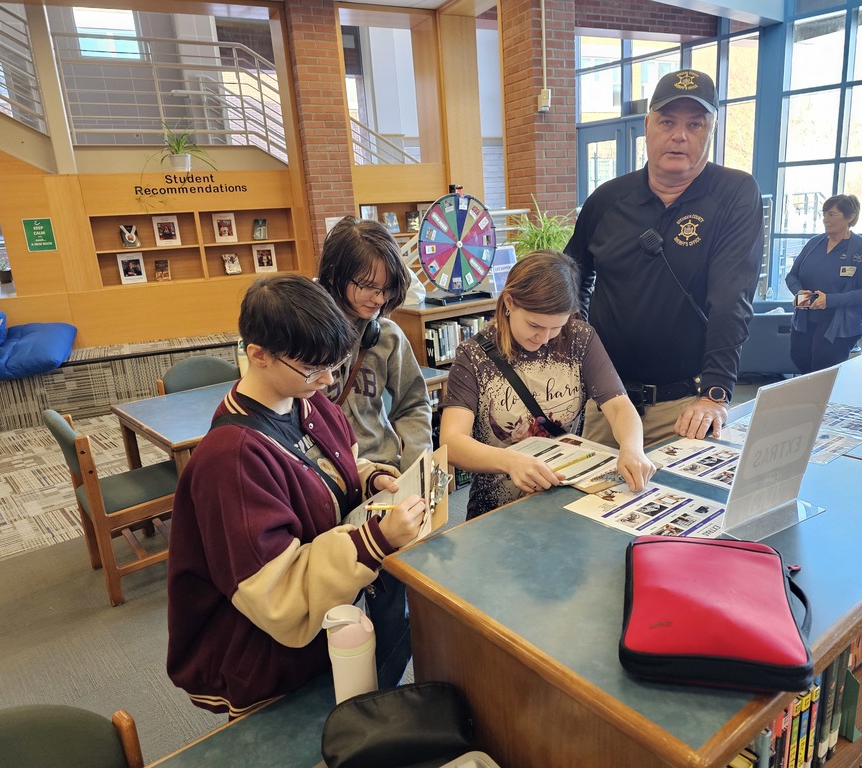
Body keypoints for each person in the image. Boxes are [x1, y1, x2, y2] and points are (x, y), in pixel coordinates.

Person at [167, 273, 426, 718]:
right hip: (272, 665)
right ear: (258, 355)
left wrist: (367, 479)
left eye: (333, 364)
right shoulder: (230, 459)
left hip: (327, 627)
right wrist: (374, 541)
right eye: (313, 368)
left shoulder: (305, 401)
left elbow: (330, 469)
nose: (327, 380)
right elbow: (278, 594)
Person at [566, 69, 764, 444]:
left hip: (687, 406)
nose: (679, 135)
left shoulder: (735, 194)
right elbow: (572, 279)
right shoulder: (607, 199)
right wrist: (580, 357)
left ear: (712, 130)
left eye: (695, 123)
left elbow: (731, 299)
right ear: (647, 126)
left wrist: (716, 392)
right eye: (667, 121)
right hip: (606, 400)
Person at [439, 250, 655, 520]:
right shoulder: (474, 355)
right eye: (534, 325)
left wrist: (633, 448)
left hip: (564, 499)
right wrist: (510, 461)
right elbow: (451, 442)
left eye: (556, 327)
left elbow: (619, 406)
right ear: (509, 302)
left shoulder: (579, 337)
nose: (544, 338)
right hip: (497, 512)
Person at [317, 216, 432, 471]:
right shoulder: (303, 333)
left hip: (383, 468)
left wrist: (416, 472)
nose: (380, 299)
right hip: (323, 475)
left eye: (387, 288)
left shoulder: (388, 336)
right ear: (336, 274)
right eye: (369, 287)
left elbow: (413, 404)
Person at [786, 194, 862, 373]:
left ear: (850, 217)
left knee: (823, 364)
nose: (825, 220)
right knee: (799, 357)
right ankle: (811, 398)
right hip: (807, 315)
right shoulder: (815, 243)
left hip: (841, 321)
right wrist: (800, 293)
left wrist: (829, 300)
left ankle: (821, 399)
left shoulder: (861, 249)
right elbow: (792, 276)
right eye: (824, 214)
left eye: (832, 215)